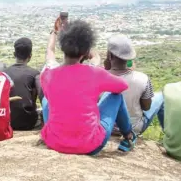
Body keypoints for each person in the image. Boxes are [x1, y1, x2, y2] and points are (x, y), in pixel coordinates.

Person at [40, 17, 137, 155]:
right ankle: (128, 136)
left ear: (63, 47)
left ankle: (54, 131)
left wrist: (55, 33)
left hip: (55, 143)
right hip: (90, 145)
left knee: (46, 100)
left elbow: (50, 53)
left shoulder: (48, 75)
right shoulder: (94, 73)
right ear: (85, 51)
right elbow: (122, 86)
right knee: (115, 97)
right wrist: (93, 57)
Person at [103, 34, 163, 135]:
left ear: (110, 55)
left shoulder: (97, 78)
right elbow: (146, 107)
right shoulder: (142, 78)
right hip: (133, 128)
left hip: (104, 127)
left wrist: (107, 67)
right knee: (161, 96)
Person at [4, 37, 41, 130]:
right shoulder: (34, 73)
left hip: (9, 121)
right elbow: (35, 97)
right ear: (30, 56)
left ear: (14, 54)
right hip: (28, 122)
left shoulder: (4, 73)